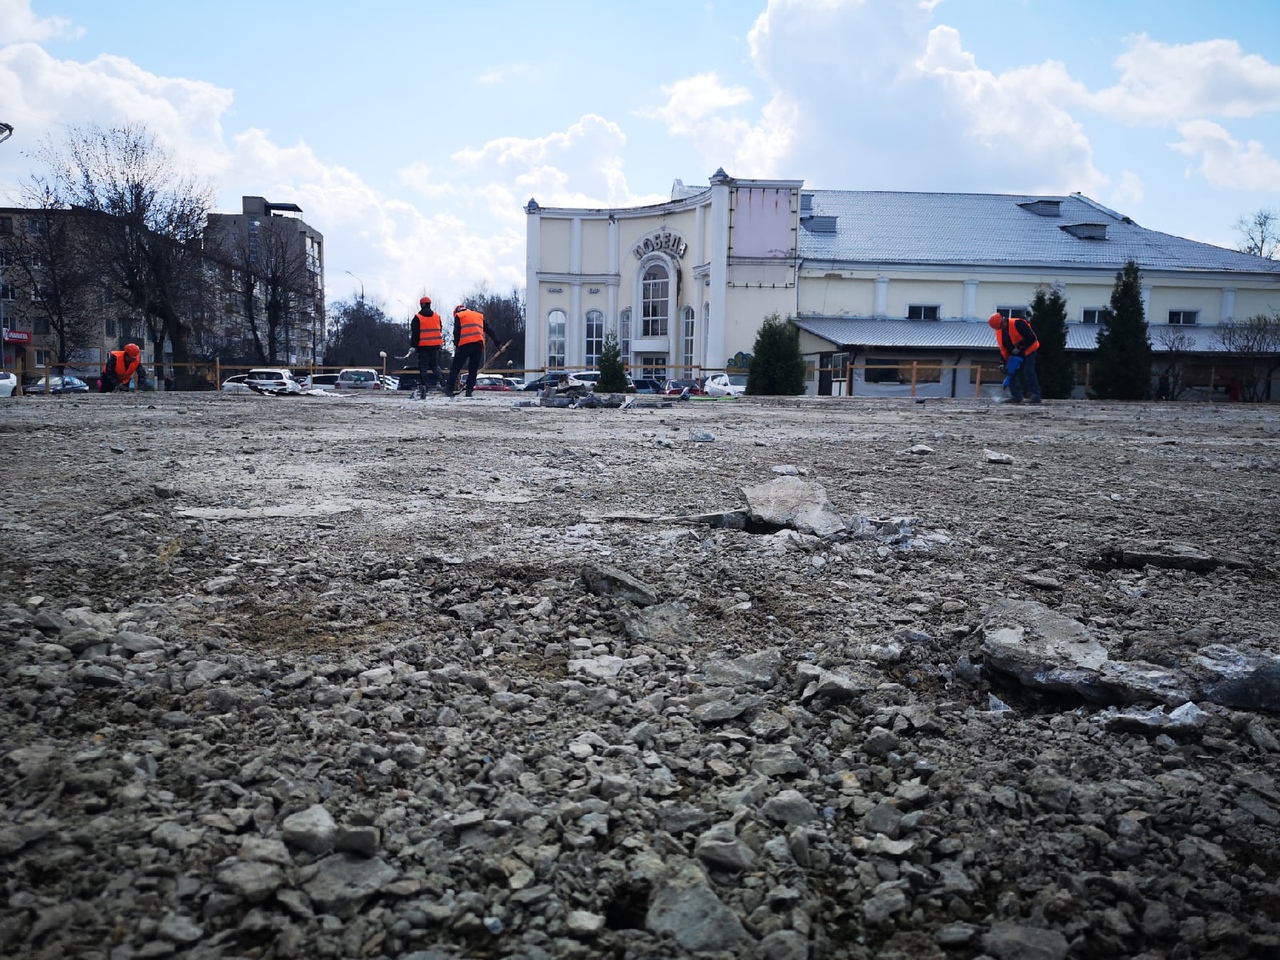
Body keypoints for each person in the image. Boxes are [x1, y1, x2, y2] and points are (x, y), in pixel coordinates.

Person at [988, 312, 1041, 404]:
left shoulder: (1018, 323)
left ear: (1003, 321)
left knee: (1028, 371)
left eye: (1001, 326)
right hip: (1016, 352)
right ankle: (1016, 396)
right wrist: (1002, 362)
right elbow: (1003, 348)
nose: (1001, 329)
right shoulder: (1000, 332)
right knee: (1010, 372)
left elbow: (1032, 338)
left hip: (1029, 350)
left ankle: (1035, 396)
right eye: (999, 328)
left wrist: (1020, 346)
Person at [446, 305, 495, 398]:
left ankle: (449, 388)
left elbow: (456, 332)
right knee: (473, 369)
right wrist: (496, 341)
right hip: (478, 344)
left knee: (455, 367)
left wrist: (456, 344)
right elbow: (488, 329)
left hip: (465, 344)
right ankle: (469, 390)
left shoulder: (459, 316)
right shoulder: (478, 315)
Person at [408, 296, 444, 398]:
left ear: (422, 305)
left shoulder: (418, 318)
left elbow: (415, 334)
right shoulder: (437, 317)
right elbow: (440, 329)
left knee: (423, 367)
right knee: (435, 366)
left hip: (423, 347)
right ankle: (444, 383)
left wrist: (413, 346)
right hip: (435, 346)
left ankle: (425, 387)